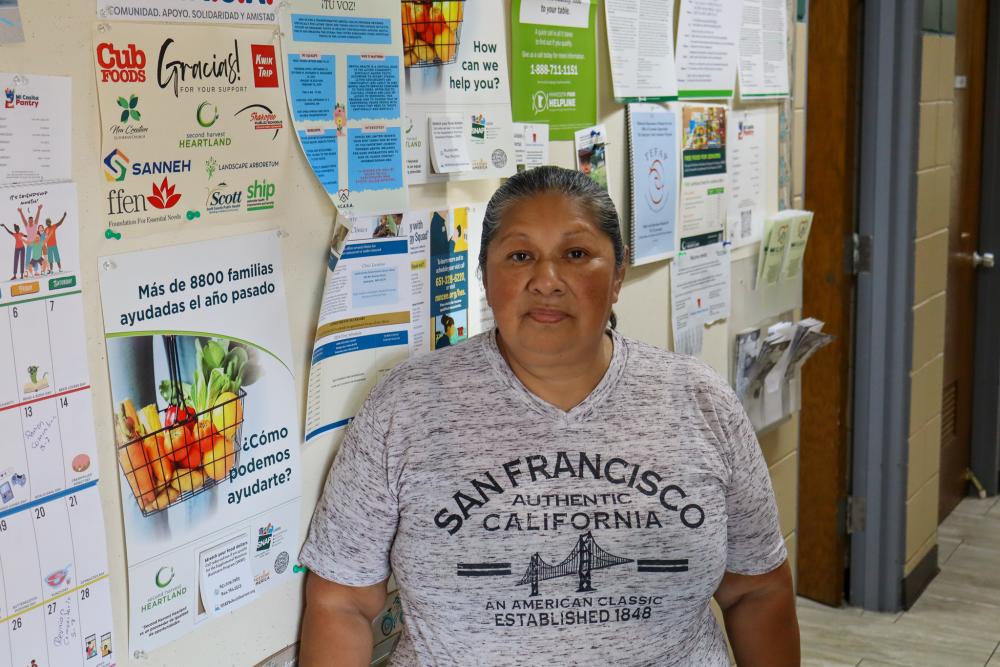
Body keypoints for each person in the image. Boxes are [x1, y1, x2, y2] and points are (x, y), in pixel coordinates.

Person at [298, 166, 799, 666]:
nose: (546, 281)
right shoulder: (406, 406)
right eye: (520, 256)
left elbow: (756, 591)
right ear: (484, 273)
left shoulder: (700, 400)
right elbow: (340, 600)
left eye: (576, 254)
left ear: (618, 273)